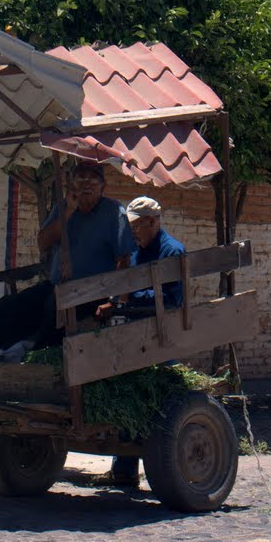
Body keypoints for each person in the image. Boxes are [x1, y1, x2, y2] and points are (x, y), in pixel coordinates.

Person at [0, 162, 134, 370]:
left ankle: (25, 349)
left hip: (91, 294)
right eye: (80, 178)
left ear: (103, 186)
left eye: (93, 179)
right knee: (8, 306)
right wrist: (69, 211)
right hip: (56, 286)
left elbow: (124, 260)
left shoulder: (113, 212)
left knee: (52, 307)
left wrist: (115, 300)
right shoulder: (63, 208)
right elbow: (43, 243)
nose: (86, 184)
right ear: (72, 184)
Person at [96, 196, 186, 489]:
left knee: (155, 402)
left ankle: (161, 468)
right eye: (131, 226)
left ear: (153, 222)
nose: (134, 231)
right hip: (134, 335)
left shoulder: (172, 252)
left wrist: (130, 298)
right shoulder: (134, 251)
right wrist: (114, 302)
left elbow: (174, 300)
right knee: (128, 395)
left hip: (161, 339)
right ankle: (123, 470)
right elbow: (123, 288)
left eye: (138, 225)